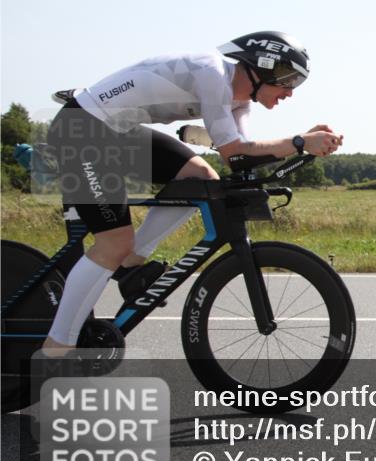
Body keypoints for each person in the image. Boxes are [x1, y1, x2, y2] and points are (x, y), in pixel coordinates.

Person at [42, 31, 342, 356]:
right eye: (288, 80)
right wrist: (299, 142)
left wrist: (303, 146)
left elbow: (241, 158)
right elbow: (235, 151)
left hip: (115, 131)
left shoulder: (239, 102)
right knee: (112, 241)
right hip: (82, 130)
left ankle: (129, 263)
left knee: (200, 177)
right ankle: (54, 351)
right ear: (263, 67)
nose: (290, 92)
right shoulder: (211, 74)